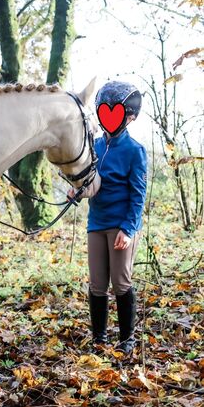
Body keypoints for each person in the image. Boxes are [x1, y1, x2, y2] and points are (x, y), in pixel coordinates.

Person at [69, 81, 148, 355]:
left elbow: (138, 196)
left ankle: (127, 338)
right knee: (97, 284)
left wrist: (128, 229)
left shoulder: (135, 151)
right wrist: (75, 192)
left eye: (115, 112)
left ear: (129, 117)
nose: (108, 118)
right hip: (96, 224)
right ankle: (99, 338)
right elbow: (88, 182)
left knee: (121, 281)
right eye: (104, 111)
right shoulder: (95, 147)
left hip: (121, 226)